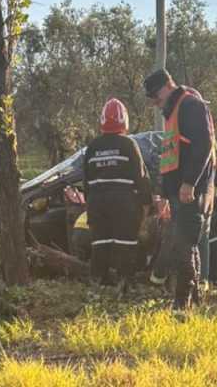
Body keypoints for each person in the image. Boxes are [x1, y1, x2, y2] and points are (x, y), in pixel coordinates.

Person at [144, 69, 217, 310]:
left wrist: (189, 182)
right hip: (178, 192)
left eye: (155, 96)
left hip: (189, 192)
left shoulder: (190, 105)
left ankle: (181, 303)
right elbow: (171, 157)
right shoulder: (173, 111)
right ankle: (193, 299)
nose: (155, 103)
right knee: (186, 246)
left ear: (167, 86)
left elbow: (204, 145)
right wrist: (166, 194)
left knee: (183, 246)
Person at [83, 98, 152, 293]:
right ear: (125, 121)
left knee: (100, 243)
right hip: (124, 202)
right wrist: (147, 203)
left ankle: (99, 283)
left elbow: (86, 180)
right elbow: (141, 177)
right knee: (126, 243)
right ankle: (125, 284)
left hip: (97, 202)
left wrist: (90, 204)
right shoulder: (129, 144)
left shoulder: (92, 147)